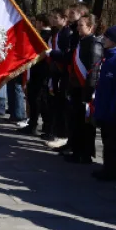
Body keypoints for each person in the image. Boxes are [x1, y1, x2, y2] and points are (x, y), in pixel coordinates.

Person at [64, 14, 103, 164]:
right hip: (76, 87)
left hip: (84, 89)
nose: (78, 28)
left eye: (82, 25)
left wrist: (88, 92)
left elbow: (93, 70)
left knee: (85, 124)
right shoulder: (81, 41)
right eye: (78, 25)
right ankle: (76, 150)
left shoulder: (93, 43)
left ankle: (85, 154)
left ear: (91, 27)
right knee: (75, 121)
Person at [92, 23, 116, 181]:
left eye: (107, 37)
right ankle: (107, 166)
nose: (104, 39)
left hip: (112, 108)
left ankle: (112, 169)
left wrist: (115, 105)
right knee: (106, 138)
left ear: (114, 40)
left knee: (112, 140)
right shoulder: (109, 56)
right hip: (103, 104)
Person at [45, 8, 73, 149]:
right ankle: (57, 133)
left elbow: (66, 54)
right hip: (55, 71)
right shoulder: (57, 32)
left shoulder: (67, 33)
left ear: (64, 18)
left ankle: (63, 135)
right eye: (52, 17)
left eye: (56, 17)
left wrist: (53, 53)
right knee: (56, 104)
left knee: (61, 105)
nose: (54, 20)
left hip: (62, 72)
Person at [22, 14, 54, 135]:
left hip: (41, 71)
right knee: (35, 99)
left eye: (37, 22)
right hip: (37, 71)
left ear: (41, 23)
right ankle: (35, 123)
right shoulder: (42, 35)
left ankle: (39, 125)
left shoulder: (45, 36)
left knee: (38, 100)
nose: (35, 24)